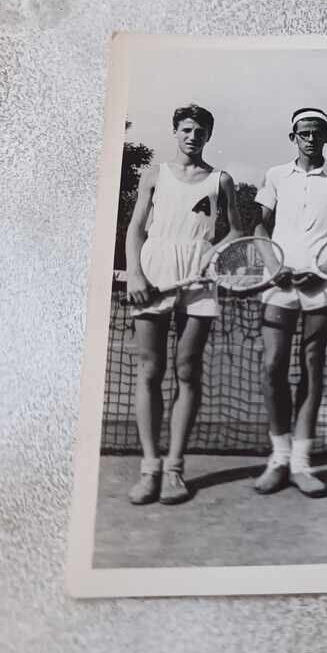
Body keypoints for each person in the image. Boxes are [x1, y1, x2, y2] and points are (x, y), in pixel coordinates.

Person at [125, 103, 242, 505]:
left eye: (201, 130)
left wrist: (214, 257)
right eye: (187, 129)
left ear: (209, 135)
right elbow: (136, 229)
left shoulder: (221, 180)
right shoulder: (154, 174)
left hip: (199, 280)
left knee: (188, 370)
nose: (193, 136)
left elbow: (236, 233)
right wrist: (136, 274)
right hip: (154, 273)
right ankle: (149, 468)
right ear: (176, 132)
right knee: (150, 370)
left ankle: (175, 469)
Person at [253, 107, 327, 496]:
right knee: (272, 366)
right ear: (293, 136)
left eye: (317, 133)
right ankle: (279, 457)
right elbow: (259, 224)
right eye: (303, 133)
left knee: (312, 366)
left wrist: (325, 267)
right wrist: (272, 264)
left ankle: (300, 463)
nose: (310, 138)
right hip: (278, 283)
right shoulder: (276, 175)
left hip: (322, 285)